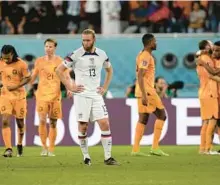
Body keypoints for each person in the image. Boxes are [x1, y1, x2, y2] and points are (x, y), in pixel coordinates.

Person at [56, 29, 119, 165]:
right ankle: (86, 156)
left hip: (96, 94)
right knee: (83, 126)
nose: (85, 42)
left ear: (94, 39)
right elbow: (59, 70)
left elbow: (109, 70)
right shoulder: (75, 54)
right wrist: (69, 86)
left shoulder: (102, 54)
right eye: (83, 40)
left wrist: (105, 87)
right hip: (81, 95)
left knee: (104, 123)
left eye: (88, 40)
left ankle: (108, 158)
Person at [131, 33, 168, 156]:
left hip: (141, 90)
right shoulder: (146, 56)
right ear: (150, 42)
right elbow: (141, 75)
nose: (156, 43)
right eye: (155, 41)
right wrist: (145, 94)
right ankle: (155, 147)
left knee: (143, 118)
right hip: (146, 90)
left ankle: (135, 150)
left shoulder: (142, 54)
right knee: (162, 115)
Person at [30, 38, 64, 157]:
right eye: (46, 46)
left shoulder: (60, 61)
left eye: (50, 47)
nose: (48, 49)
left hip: (55, 96)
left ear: (55, 48)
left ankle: (51, 148)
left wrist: (70, 88)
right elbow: (33, 77)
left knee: (53, 123)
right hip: (42, 96)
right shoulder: (39, 61)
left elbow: (66, 77)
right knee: (42, 120)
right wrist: (24, 84)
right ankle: (44, 147)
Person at [0, 45, 31, 157]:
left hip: (19, 96)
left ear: (12, 54)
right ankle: (8, 149)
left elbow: (28, 78)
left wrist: (16, 86)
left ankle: (19, 143)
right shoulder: (0, 62)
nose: (6, 60)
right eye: (4, 58)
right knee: (4, 121)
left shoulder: (21, 64)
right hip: (5, 96)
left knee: (20, 123)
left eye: (8, 58)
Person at [197, 41, 220, 153]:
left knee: (206, 121)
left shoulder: (203, 57)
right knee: (212, 120)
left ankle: (203, 148)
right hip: (210, 92)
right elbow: (212, 73)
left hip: (204, 91)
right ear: (207, 47)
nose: (212, 48)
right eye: (211, 45)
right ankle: (208, 148)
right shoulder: (206, 59)